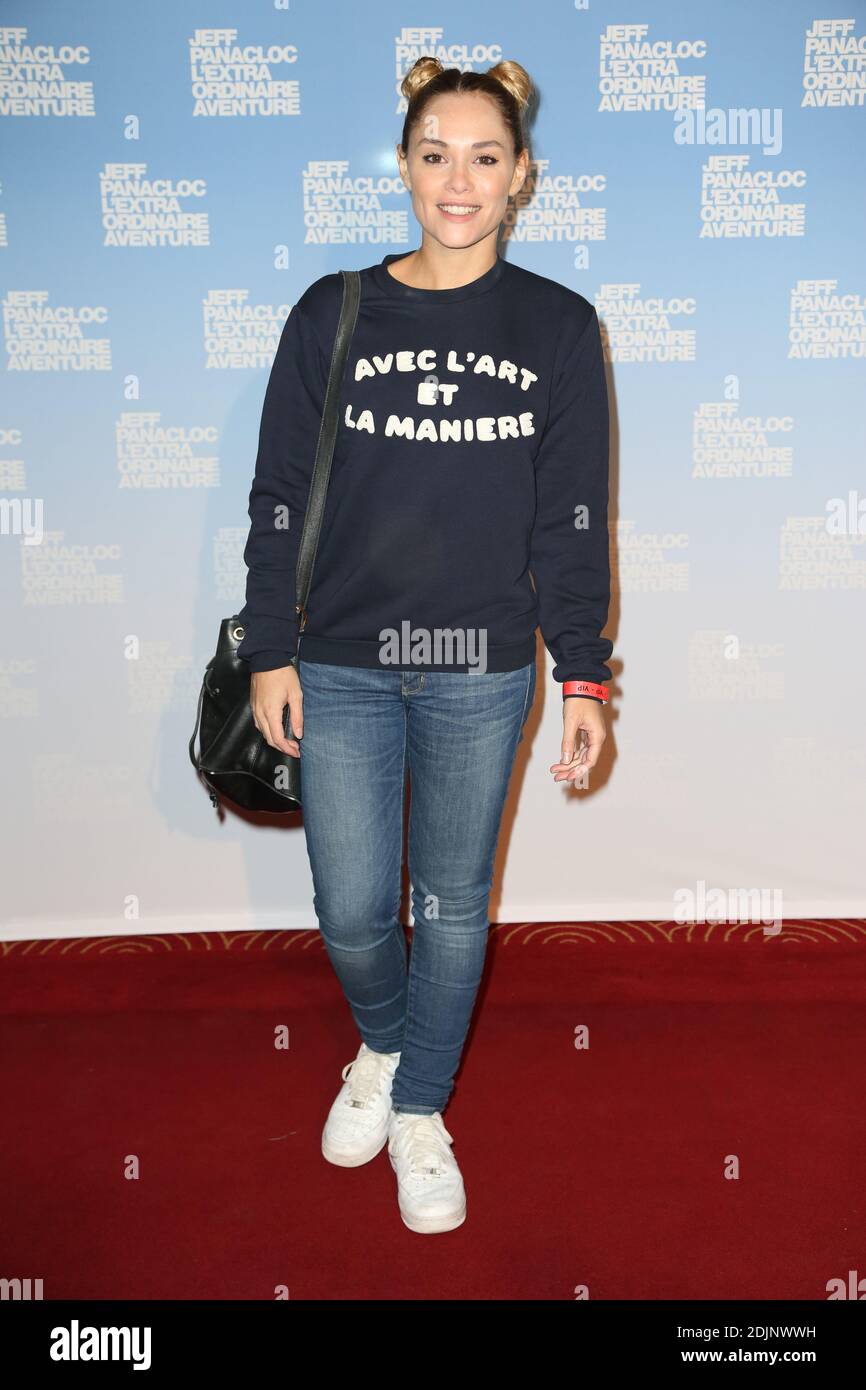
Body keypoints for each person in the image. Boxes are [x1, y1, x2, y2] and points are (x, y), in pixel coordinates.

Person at [236, 56, 613, 1235]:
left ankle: (418, 1110)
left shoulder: (557, 326)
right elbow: (279, 494)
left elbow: (570, 516)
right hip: (339, 657)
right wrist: (266, 647)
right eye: (435, 153)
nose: (459, 178)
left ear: (521, 178)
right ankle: (386, 1049)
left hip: (479, 666)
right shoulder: (333, 311)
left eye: (485, 157)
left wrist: (584, 671)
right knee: (352, 908)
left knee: (449, 905)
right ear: (403, 166)